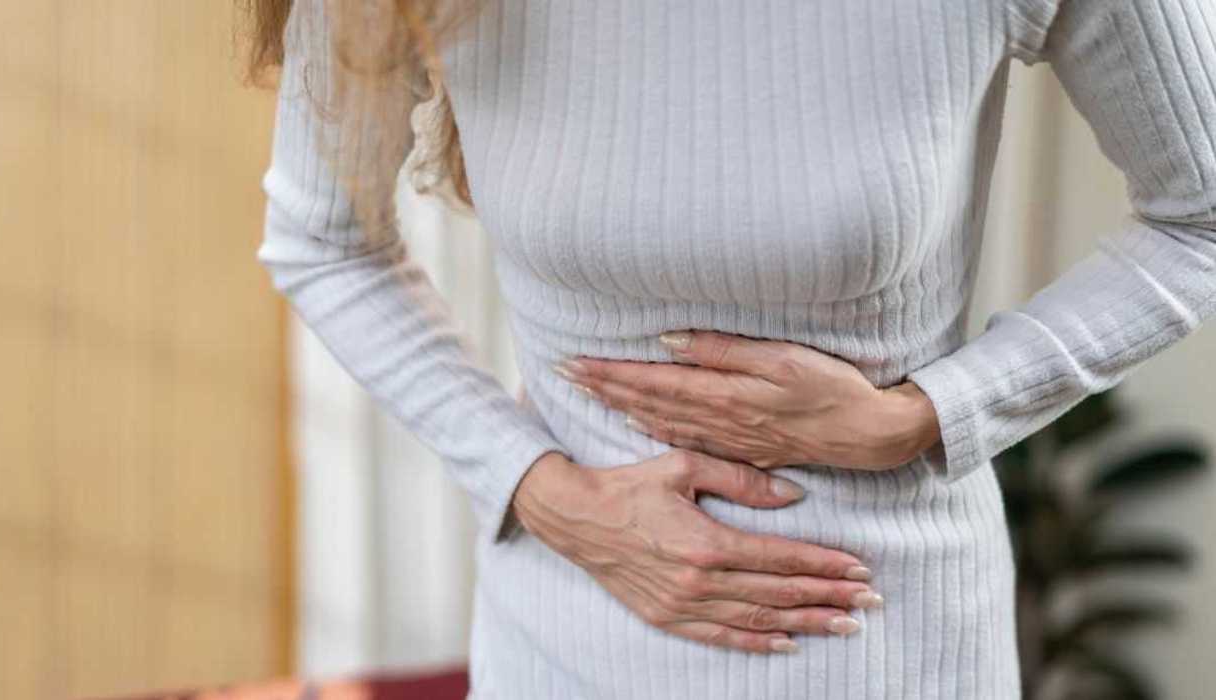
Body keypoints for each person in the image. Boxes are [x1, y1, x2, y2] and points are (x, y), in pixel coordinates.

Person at [247, 0, 1216, 697]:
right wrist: (546, 491)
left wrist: (923, 417)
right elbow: (324, 244)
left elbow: (1200, 219)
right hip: (566, 637)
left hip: (893, 644)